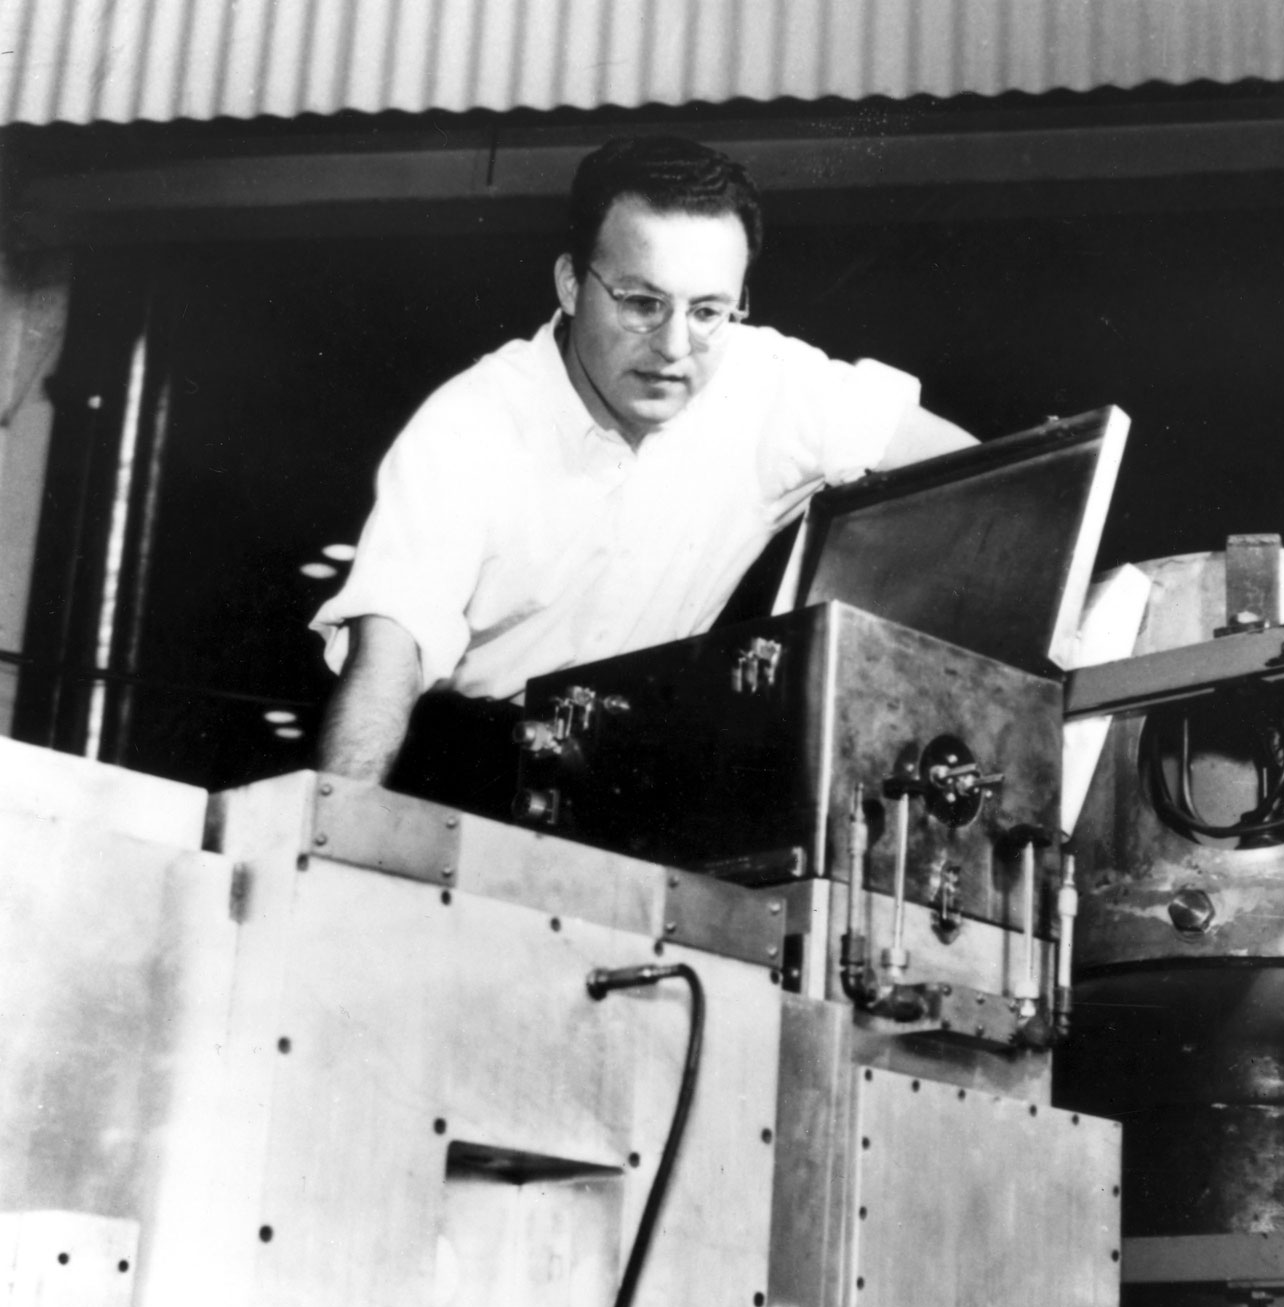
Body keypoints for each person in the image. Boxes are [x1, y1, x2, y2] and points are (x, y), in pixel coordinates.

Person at [312, 135, 975, 810]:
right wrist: (328, 833)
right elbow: (388, 655)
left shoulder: (768, 383)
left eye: (709, 311)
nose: (675, 347)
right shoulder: (470, 426)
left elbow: (988, 480)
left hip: (635, 776)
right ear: (571, 284)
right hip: (460, 769)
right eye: (641, 303)